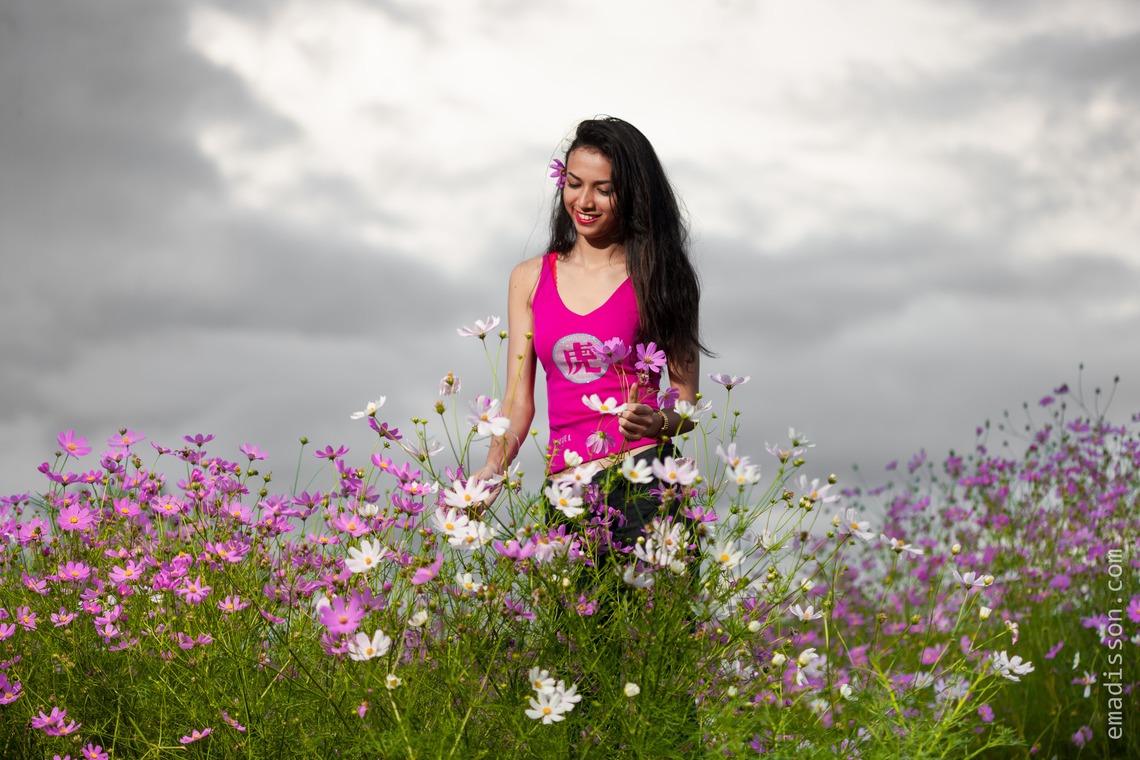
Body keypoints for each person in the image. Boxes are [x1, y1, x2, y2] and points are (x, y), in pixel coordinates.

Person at [473, 117, 709, 546]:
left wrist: (657, 419)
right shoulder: (529, 279)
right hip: (566, 496)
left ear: (633, 193)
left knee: (650, 615)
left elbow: (687, 403)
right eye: (575, 183)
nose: (585, 201)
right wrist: (493, 468)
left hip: (648, 485)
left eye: (604, 189)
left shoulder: (663, 278)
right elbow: (518, 399)